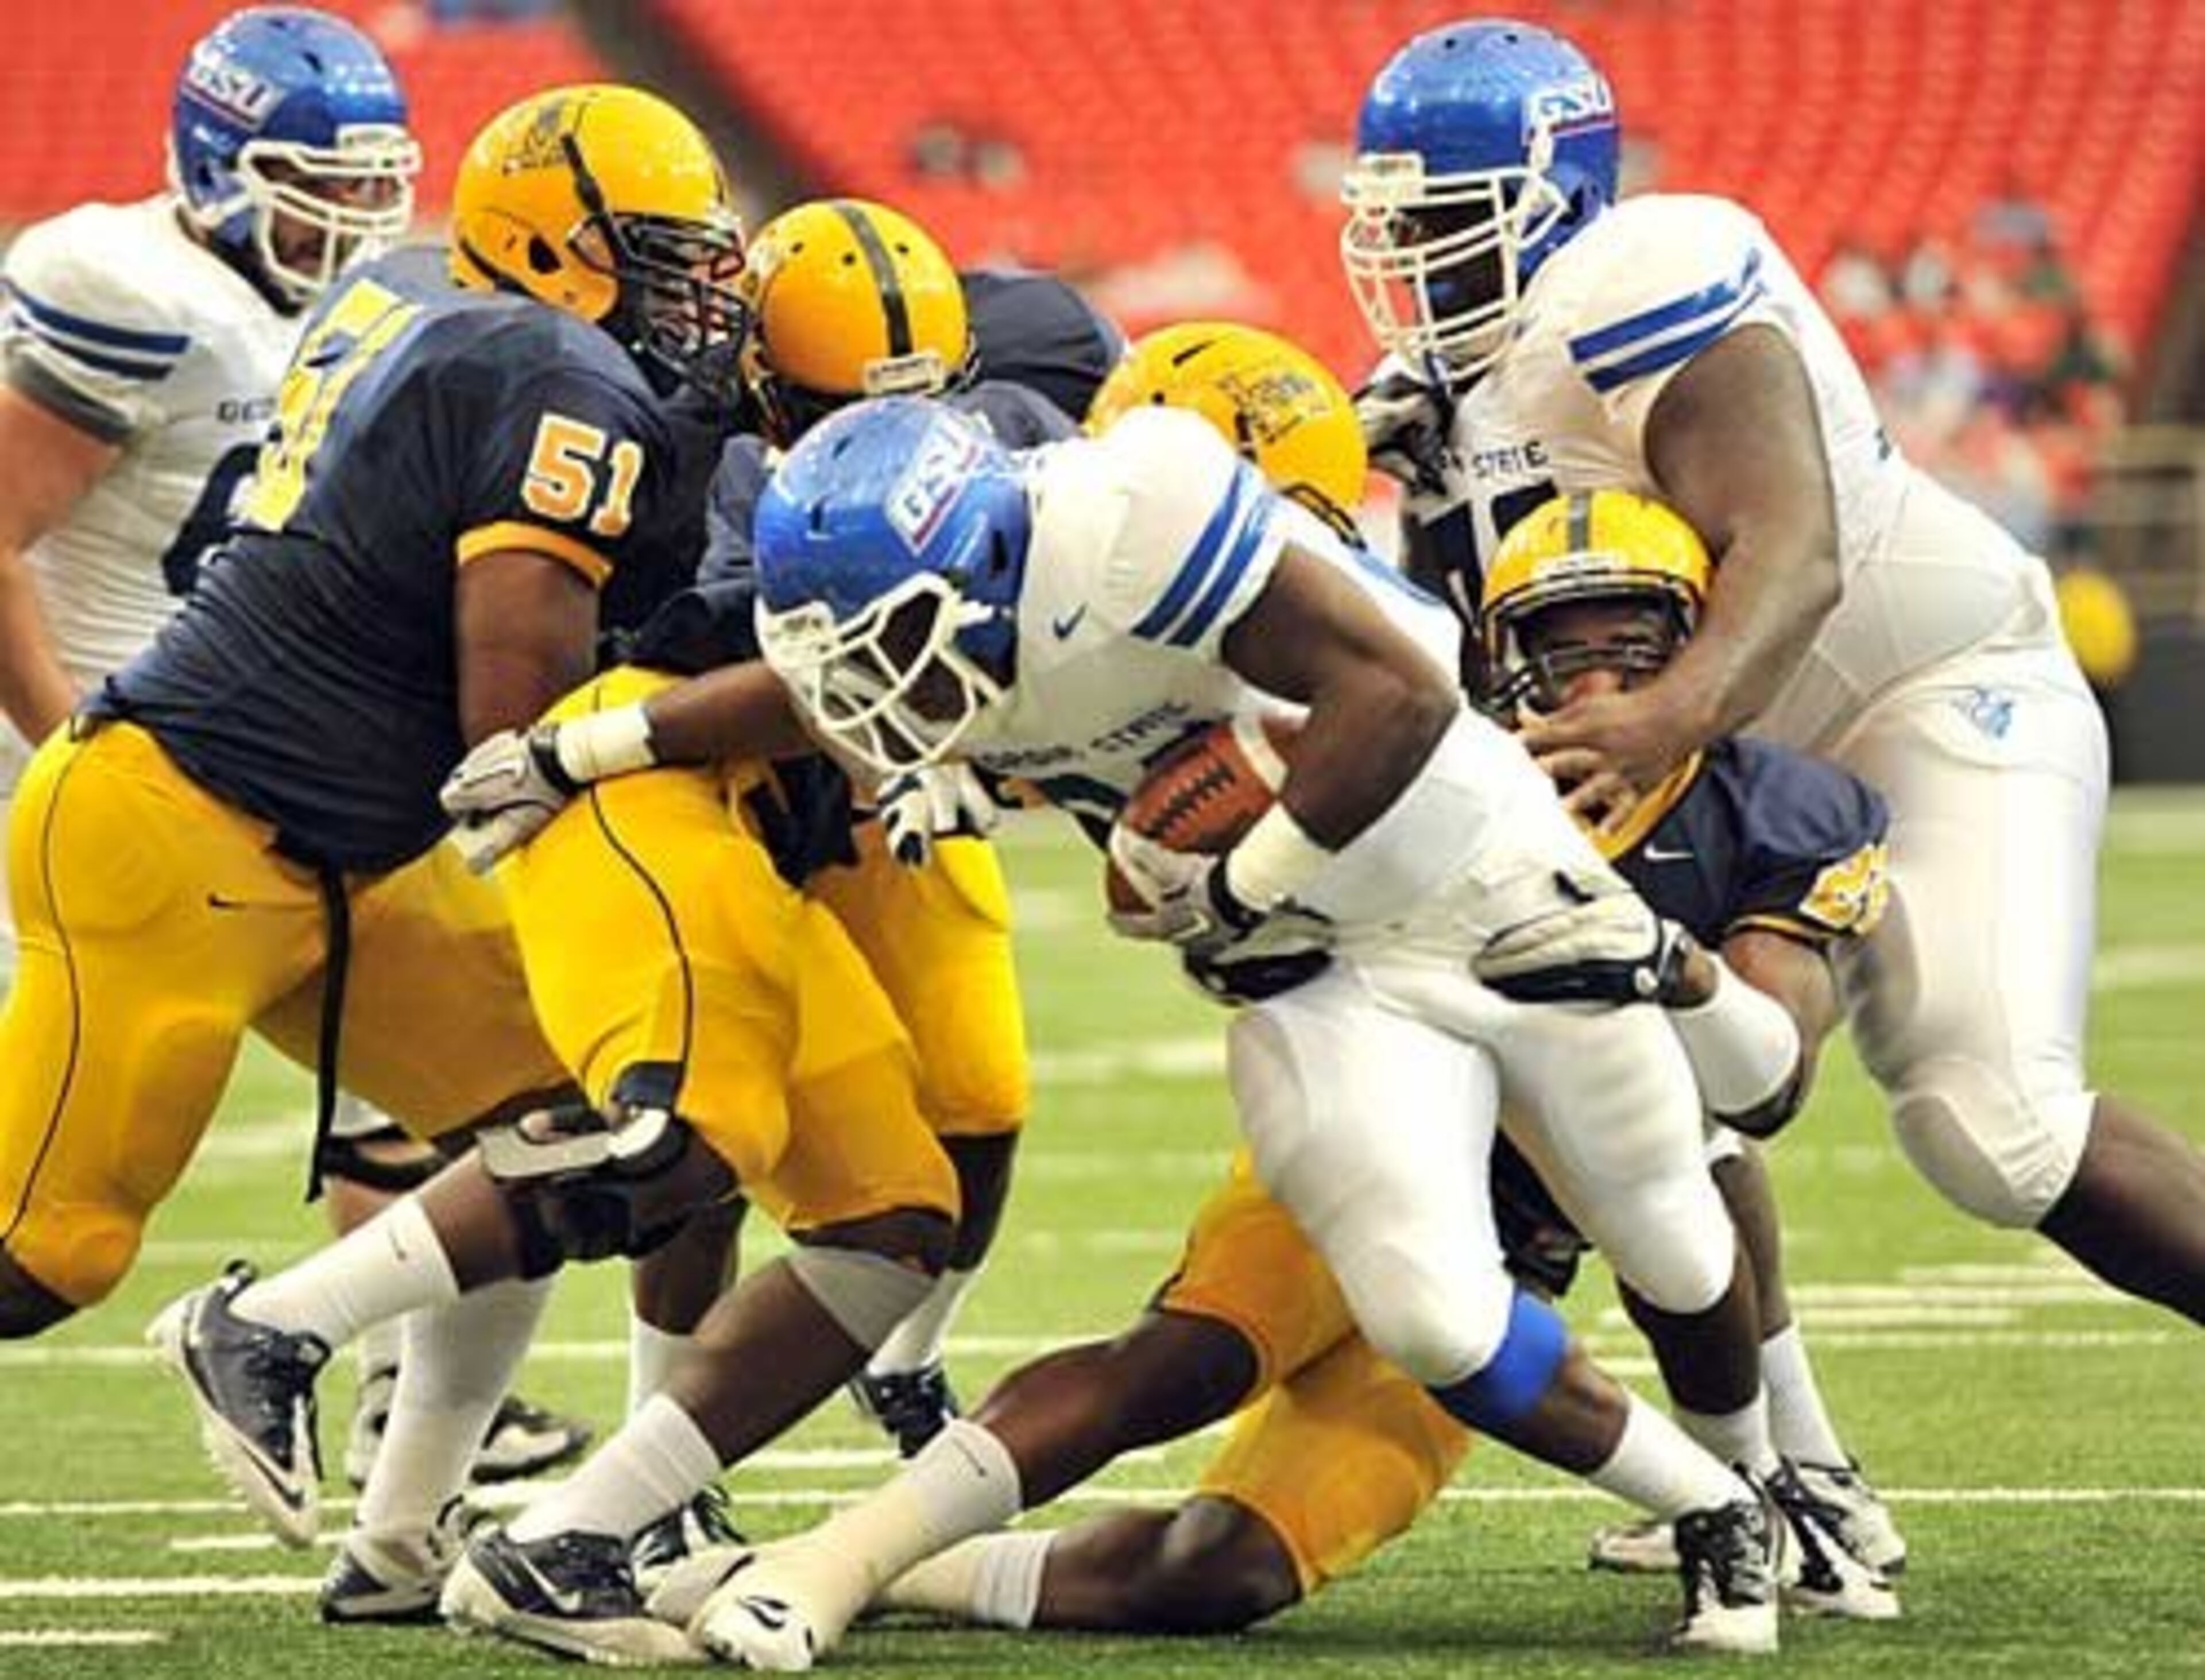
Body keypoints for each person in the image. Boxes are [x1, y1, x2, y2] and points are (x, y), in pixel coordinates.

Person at [611, 389, 1797, 1663]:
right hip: (1318, 972)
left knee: (1672, 1236)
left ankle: (1775, 1488)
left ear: (990, 561)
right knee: (1429, 1317)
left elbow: (1402, 696)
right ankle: (1719, 1506)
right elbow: (812, 696)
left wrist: (1243, 882)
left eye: (891, 640)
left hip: (1482, 893)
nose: (876, 693)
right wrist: (596, 746)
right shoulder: (967, 639)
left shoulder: (1136, 519)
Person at [1341, 20, 2205, 1353]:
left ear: (1556, 197)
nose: (1410, 259)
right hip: (1737, 749)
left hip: (1924, 693)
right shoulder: (1450, 404)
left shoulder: (1634, 277)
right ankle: (1787, 1473)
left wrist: (1664, 722)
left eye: (1444, 220)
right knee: (1645, 1085)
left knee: (1992, 1128)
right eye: (1390, 225)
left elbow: (1791, 556)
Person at [115, 80, 748, 1635]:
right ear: (552, 244)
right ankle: (278, 1331)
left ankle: (401, 1537)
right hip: (289, 800)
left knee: (553, 1122)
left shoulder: (429, 303)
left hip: (316, 788)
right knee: (661, 1132)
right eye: (657, 257)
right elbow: (507, 726)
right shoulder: (542, 361)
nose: (692, 296)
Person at [0, 4, 589, 1490]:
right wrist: (85, 738)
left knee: (510, 1098)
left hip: (262, 763)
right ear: (211, 164)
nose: (343, 216)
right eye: (306, 180)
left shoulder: (370, 304)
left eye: (367, 182)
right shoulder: (122, 285)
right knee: (40, 1239)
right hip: (93, 754)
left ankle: (411, 1418)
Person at [605, 197, 1121, 1492]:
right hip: (732, 786)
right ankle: (656, 1449)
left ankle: (904, 1361)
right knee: (706, 1145)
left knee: (983, 1101)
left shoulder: (1030, 382)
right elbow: (728, 669)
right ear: (763, 374)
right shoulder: (690, 448)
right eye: (832, 410)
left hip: (901, 781)